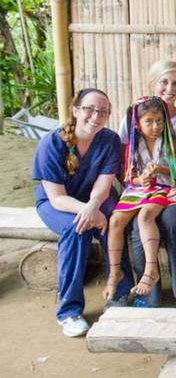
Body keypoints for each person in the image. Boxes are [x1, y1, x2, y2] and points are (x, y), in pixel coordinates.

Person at [32, 88, 132, 337]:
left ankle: (120, 293)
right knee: (76, 229)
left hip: (95, 197)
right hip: (58, 203)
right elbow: (56, 198)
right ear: (75, 111)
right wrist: (88, 212)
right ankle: (69, 311)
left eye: (103, 111)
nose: (95, 116)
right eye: (89, 109)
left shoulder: (108, 140)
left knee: (116, 221)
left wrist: (94, 207)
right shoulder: (52, 144)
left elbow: (104, 183)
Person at [116, 60, 176, 308]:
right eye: (164, 82)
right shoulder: (132, 118)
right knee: (134, 226)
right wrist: (137, 183)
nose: (170, 88)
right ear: (152, 84)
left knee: (173, 222)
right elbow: (126, 163)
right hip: (142, 193)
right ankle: (148, 293)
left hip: (173, 192)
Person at [103, 96, 176, 301]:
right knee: (115, 221)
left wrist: (160, 168)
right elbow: (126, 175)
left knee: (144, 217)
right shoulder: (132, 146)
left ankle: (151, 269)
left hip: (163, 187)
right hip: (138, 190)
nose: (155, 126)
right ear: (137, 124)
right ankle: (115, 271)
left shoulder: (170, 142)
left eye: (159, 121)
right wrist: (139, 178)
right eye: (149, 122)